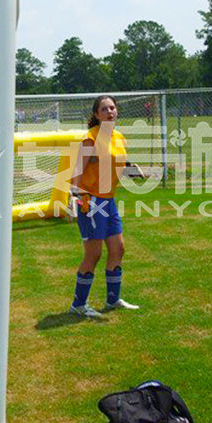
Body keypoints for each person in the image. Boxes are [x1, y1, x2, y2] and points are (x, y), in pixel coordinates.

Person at [68, 95, 140, 318]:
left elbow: (114, 167)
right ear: (97, 115)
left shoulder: (119, 138)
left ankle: (112, 300)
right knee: (94, 254)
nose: (110, 112)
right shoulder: (90, 139)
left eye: (112, 108)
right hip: (91, 201)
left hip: (109, 201)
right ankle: (78, 305)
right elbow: (77, 173)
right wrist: (74, 199)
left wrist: (131, 170)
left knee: (118, 249)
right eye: (104, 109)